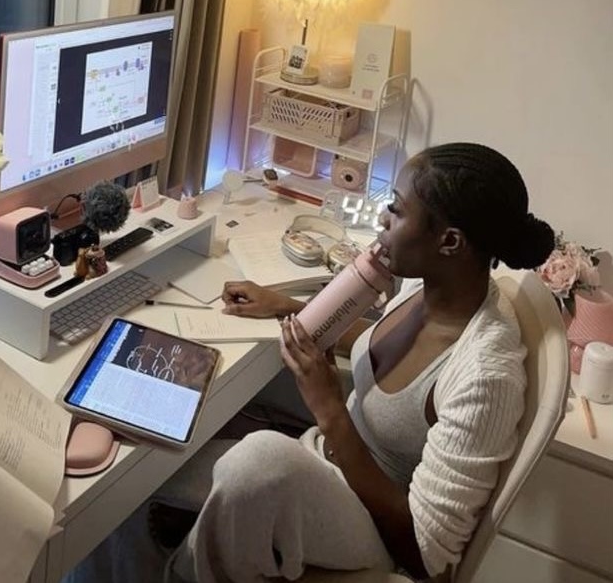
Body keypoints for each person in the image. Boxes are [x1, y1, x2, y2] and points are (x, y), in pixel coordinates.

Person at [164, 142, 555, 583]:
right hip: (325, 460)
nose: (383, 219)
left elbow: (427, 556)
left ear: (449, 241)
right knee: (169, 457)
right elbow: (378, 347)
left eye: (397, 210)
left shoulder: (485, 376)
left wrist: (330, 410)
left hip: (379, 531)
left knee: (256, 460)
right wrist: (288, 307)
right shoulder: (429, 289)